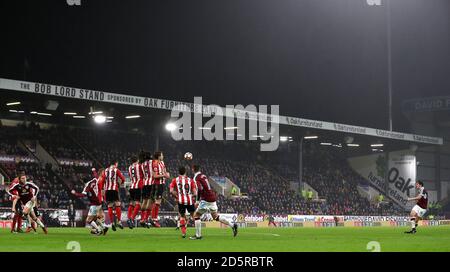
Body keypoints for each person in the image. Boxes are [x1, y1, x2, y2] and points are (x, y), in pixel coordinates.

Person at [190, 164, 237, 240]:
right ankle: (232, 225)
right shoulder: (203, 175)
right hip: (212, 197)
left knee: (196, 215)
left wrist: (197, 201)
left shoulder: (196, 177)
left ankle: (198, 236)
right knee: (215, 216)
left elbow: (199, 189)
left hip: (206, 199)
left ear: (193, 169)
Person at [71, 168, 108, 235]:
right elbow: (96, 176)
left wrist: (75, 193)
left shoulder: (87, 186)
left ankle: (98, 230)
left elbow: (82, 195)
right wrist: (94, 170)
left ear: (82, 181)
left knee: (88, 220)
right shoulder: (94, 180)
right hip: (99, 202)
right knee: (95, 218)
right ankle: (104, 227)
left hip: (94, 204)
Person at [169, 166, 197, 238]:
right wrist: (191, 196)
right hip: (189, 201)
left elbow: (171, 191)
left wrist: (177, 196)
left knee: (182, 216)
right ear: (185, 172)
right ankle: (198, 232)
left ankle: (183, 233)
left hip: (181, 201)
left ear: (178, 172)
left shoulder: (175, 180)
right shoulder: (190, 180)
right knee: (193, 215)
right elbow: (195, 193)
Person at [99, 160, 125, 231]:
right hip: (114, 190)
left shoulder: (105, 170)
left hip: (107, 190)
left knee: (110, 206)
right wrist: (119, 184)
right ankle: (119, 221)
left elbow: (102, 181)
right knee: (117, 204)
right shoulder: (117, 170)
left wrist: (102, 190)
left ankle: (112, 223)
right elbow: (123, 178)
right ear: (115, 164)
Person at [150, 151, 170, 227]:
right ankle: (153, 218)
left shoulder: (162, 163)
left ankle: (154, 219)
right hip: (157, 184)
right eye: (162, 155)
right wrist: (164, 175)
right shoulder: (155, 163)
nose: (163, 156)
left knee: (158, 202)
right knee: (156, 201)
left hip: (162, 184)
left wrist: (166, 174)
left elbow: (165, 172)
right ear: (158, 156)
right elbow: (154, 176)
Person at [127, 155, 144, 229]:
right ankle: (132, 218)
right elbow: (144, 175)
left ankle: (129, 219)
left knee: (131, 203)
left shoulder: (130, 167)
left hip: (132, 186)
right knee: (138, 204)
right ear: (137, 160)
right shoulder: (140, 166)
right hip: (138, 186)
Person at [140, 151, 153, 227]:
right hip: (151, 183)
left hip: (145, 183)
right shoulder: (152, 162)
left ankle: (142, 218)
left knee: (144, 201)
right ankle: (145, 219)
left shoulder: (142, 164)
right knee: (150, 201)